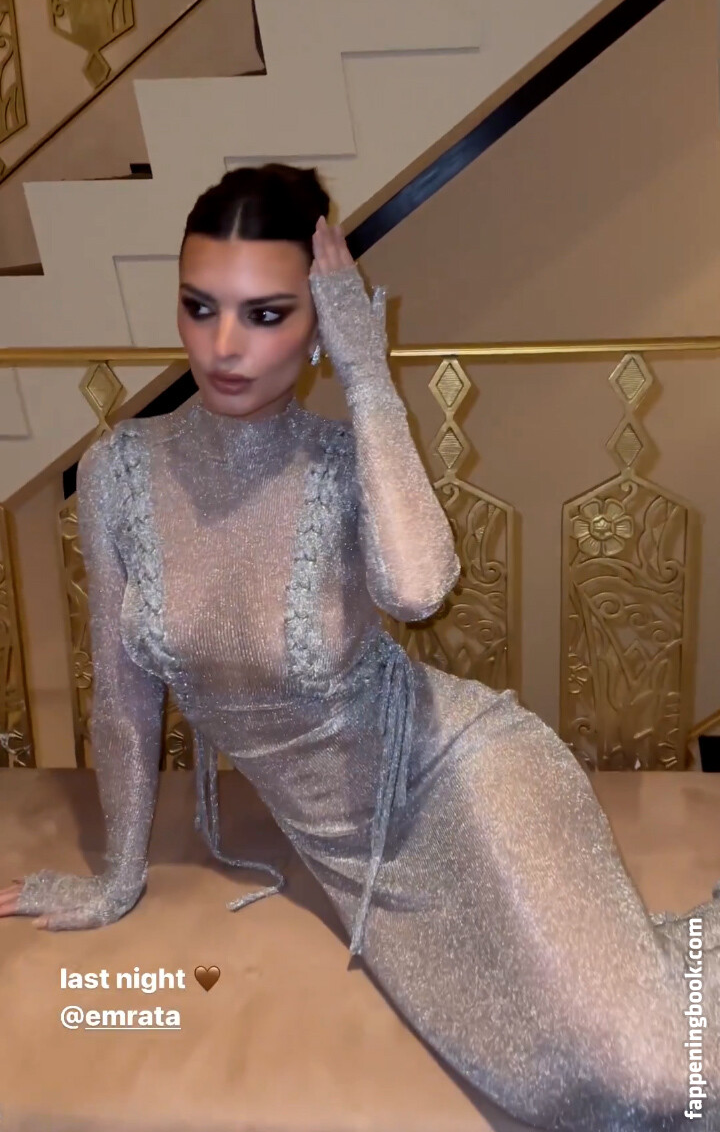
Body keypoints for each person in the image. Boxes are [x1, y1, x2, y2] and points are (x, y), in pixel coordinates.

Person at [1, 163, 719, 1131]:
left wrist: (369, 373)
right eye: (200, 306)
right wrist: (118, 876)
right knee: (591, 1077)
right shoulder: (119, 471)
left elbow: (419, 587)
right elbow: (125, 700)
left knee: (665, 1073)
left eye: (266, 314)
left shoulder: (343, 464)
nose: (223, 345)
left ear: (318, 326)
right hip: (351, 853)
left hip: (461, 765)